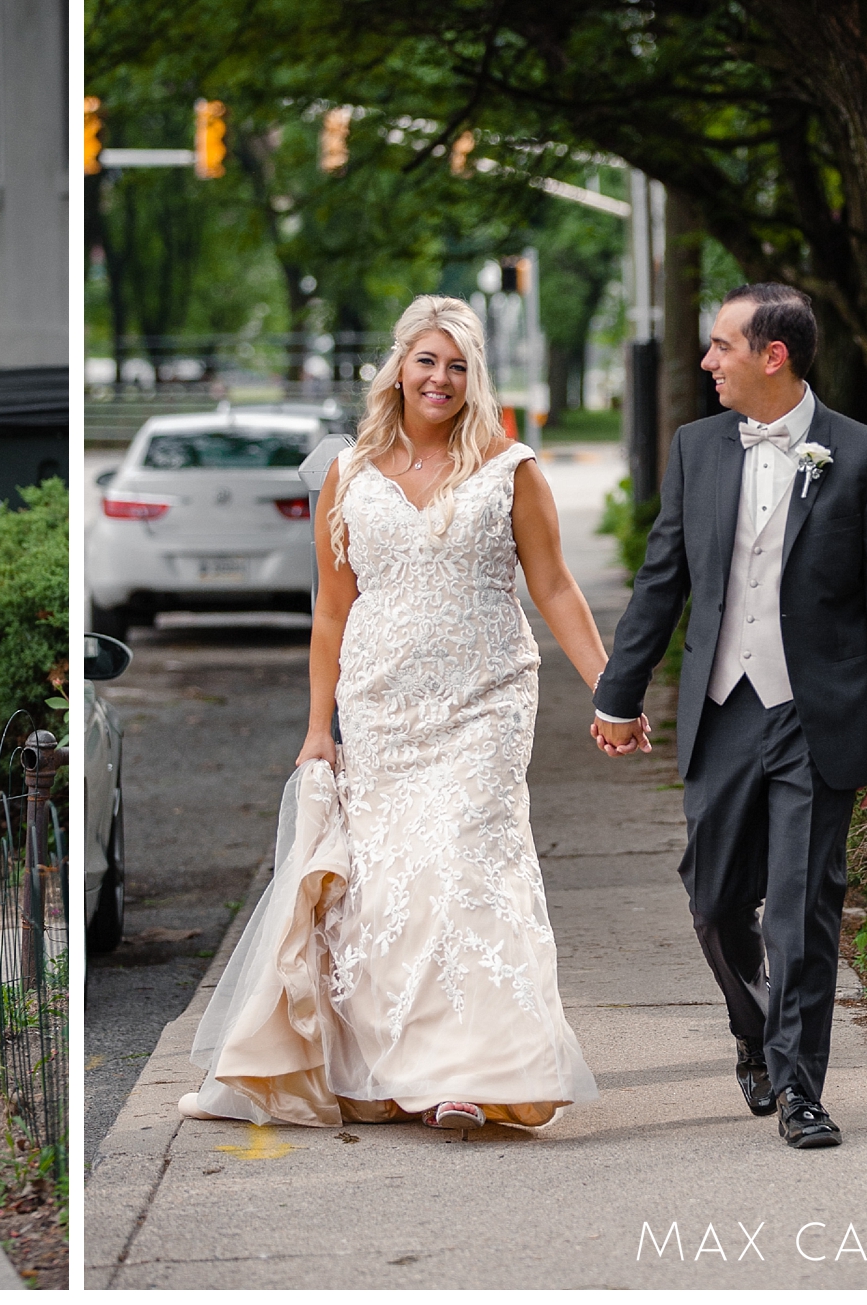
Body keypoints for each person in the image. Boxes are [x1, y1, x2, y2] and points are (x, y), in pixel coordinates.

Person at [182, 295, 604, 1132]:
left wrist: (610, 687)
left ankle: (469, 1074)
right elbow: (331, 612)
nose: (439, 378)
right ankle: (384, 1071)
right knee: (385, 892)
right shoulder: (349, 474)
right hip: (379, 708)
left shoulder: (509, 468)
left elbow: (553, 585)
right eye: (426, 361)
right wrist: (317, 728)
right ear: (398, 368)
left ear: (473, 377)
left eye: (456, 365)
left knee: (463, 867)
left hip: (484, 701)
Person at [591, 283, 867, 1150]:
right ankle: (752, 1025)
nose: (706, 362)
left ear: (772, 355)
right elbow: (662, 577)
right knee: (711, 898)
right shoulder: (697, 448)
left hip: (818, 718)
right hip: (722, 708)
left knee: (802, 907)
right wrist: (617, 693)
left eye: (719, 346)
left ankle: (800, 1086)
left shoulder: (865, 455)